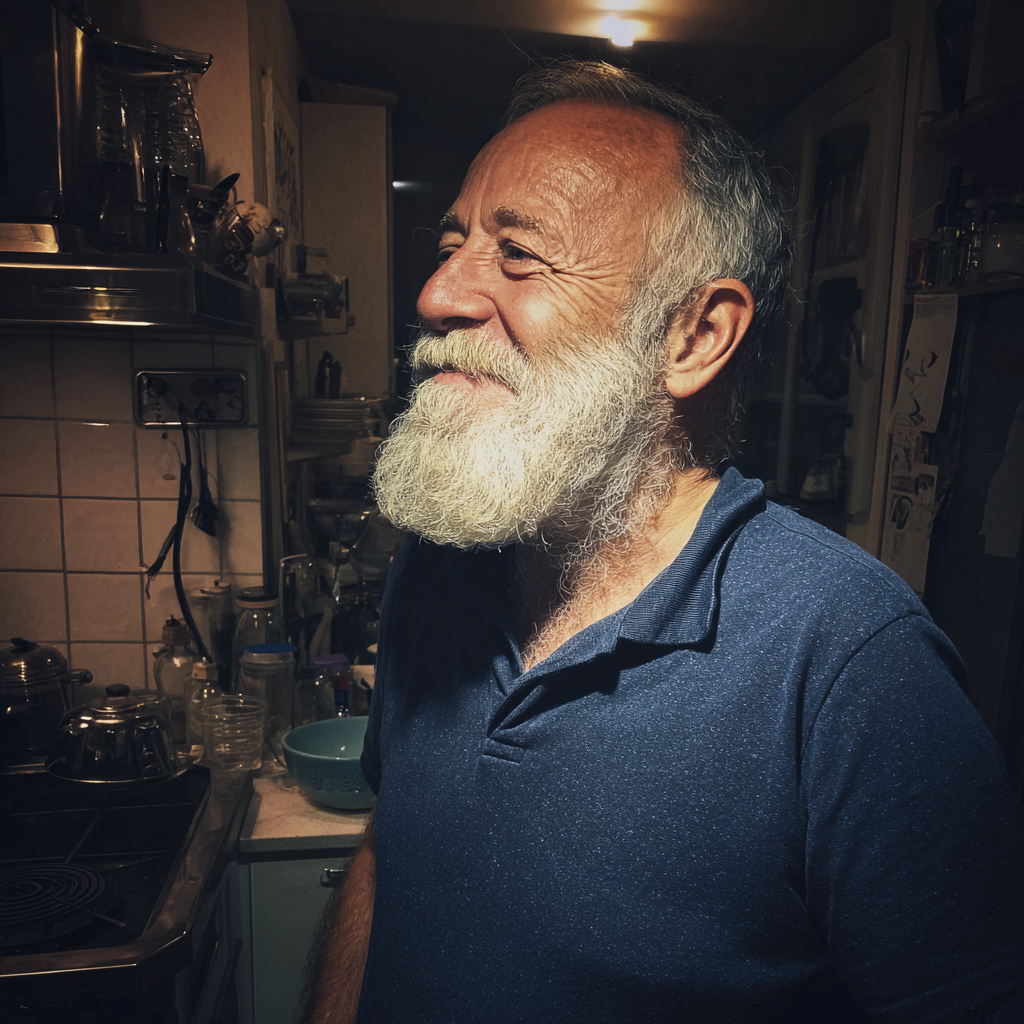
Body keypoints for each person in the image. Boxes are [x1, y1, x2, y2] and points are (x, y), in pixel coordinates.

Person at [302, 62, 1024, 1024]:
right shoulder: (440, 561)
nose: (437, 294)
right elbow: (388, 849)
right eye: (453, 243)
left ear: (693, 335)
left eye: (518, 254)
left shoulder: (853, 663)